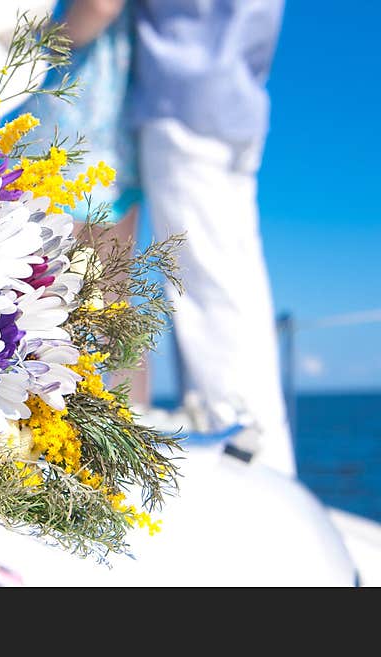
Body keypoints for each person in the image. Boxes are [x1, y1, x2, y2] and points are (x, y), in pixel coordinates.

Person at [131, 0, 296, 476]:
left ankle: (249, 447)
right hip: (239, 98)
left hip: (184, 98)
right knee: (233, 278)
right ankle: (258, 444)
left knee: (203, 285)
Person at [11, 0, 151, 405]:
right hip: (117, 134)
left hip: (71, 129)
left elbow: (99, 6)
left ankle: (46, 423)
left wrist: (37, 41)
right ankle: (132, 424)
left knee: (49, 295)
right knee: (117, 305)